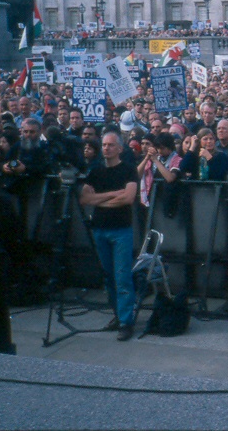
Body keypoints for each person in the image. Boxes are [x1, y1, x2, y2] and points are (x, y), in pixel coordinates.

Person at [79, 132, 138, 341]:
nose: (107, 148)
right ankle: (117, 315)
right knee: (108, 277)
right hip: (100, 229)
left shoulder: (129, 170)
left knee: (122, 277)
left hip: (121, 229)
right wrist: (113, 194)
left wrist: (99, 200)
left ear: (120, 148)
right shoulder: (95, 171)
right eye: (104, 145)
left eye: (111, 145)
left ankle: (126, 321)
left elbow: (128, 197)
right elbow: (85, 198)